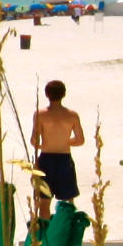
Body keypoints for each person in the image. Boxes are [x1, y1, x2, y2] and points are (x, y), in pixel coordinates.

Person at [32, 80, 84, 215]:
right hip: (64, 159)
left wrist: (46, 143)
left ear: (46, 94)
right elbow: (80, 140)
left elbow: (34, 141)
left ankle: (45, 233)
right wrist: (66, 141)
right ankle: (67, 232)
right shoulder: (72, 115)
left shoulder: (40, 114)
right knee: (68, 201)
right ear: (64, 94)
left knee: (44, 201)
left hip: (46, 159)